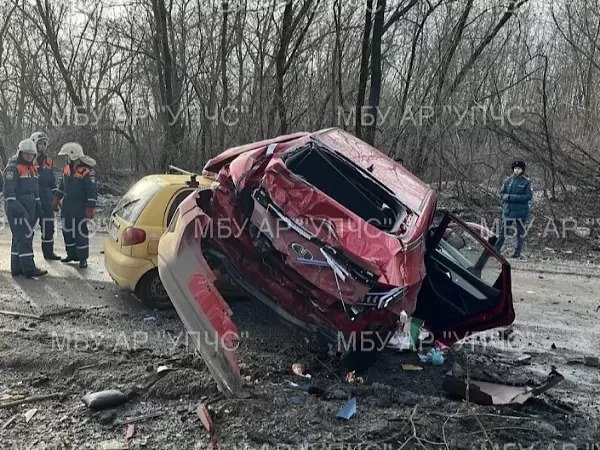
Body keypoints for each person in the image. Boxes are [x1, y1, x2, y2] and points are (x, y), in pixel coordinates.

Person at [3, 139, 48, 278]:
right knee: (24, 238)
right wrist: (18, 209)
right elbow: (9, 193)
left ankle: (17, 268)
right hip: (18, 207)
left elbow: (35, 190)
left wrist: (38, 205)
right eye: (26, 153)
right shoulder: (13, 168)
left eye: (31, 154)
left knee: (20, 237)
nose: (29, 156)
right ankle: (29, 269)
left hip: (30, 206)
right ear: (20, 152)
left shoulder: (31, 168)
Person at [53, 142, 97, 269]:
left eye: (67, 155)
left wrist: (90, 208)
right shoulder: (67, 169)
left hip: (80, 206)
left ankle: (83, 258)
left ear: (74, 156)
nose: (66, 158)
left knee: (80, 232)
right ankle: (72, 255)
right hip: (67, 206)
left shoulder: (87, 172)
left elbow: (92, 192)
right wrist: (56, 199)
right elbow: (62, 186)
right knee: (67, 230)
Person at [30, 131, 61, 260]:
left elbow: (52, 182)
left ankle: (48, 253)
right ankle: (26, 257)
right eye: (40, 144)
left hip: (47, 198)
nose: (42, 146)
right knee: (29, 228)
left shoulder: (48, 161)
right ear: (34, 144)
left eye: (44, 144)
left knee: (49, 227)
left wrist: (56, 198)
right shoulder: (28, 159)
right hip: (32, 198)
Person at [494, 160, 533, 258]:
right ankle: (496, 250)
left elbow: (528, 196)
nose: (517, 170)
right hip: (509, 211)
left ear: (522, 170)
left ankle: (517, 252)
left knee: (520, 233)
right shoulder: (508, 181)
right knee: (503, 231)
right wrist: (506, 198)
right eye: (515, 168)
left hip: (521, 212)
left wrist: (512, 197)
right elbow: (502, 194)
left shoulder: (526, 182)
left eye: (519, 168)